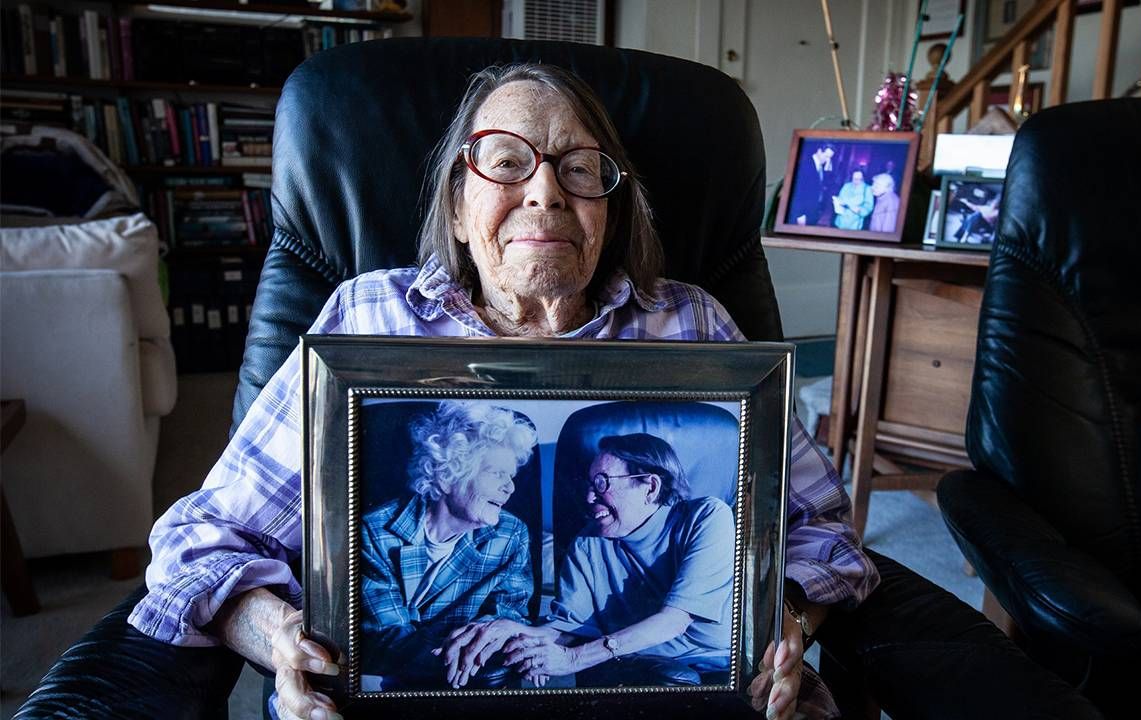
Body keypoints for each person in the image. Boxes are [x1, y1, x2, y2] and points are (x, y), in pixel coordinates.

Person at [128, 63, 877, 720]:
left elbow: (822, 529)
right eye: (507, 162)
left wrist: (785, 621)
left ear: (610, 209)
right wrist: (281, 640)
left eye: (580, 169)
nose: (546, 192)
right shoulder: (370, 318)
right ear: (457, 202)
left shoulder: (691, 322)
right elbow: (200, 544)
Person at [439, 434, 734, 689]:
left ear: (650, 487)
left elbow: (674, 621)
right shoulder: (587, 541)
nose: (590, 497)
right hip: (641, 668)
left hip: (716, 668)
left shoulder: (708, 517)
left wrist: (572, 660)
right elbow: (567, 628)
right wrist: (509, 630)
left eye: (602, 483)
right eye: (589, 484)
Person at [359, 401, 537, 690]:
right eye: (496, 474)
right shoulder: (375, 532)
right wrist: (460, 649)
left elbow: (510, 613)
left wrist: (487, 635)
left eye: (511, 476)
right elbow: (386, 636)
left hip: (471, 682)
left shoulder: (510, 534)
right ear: (446, 477)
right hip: (389, 682)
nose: (510, 488)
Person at [791, 143, 837, 226]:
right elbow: (798, 192)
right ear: (819, 151)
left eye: (830, 158)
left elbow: (821, 186)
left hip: (813, 211)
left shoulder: (821, 166)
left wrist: (827, 171)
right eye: (826, 156)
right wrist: (799, 214)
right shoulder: (805, 164)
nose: (827, 160)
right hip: (803, 213)